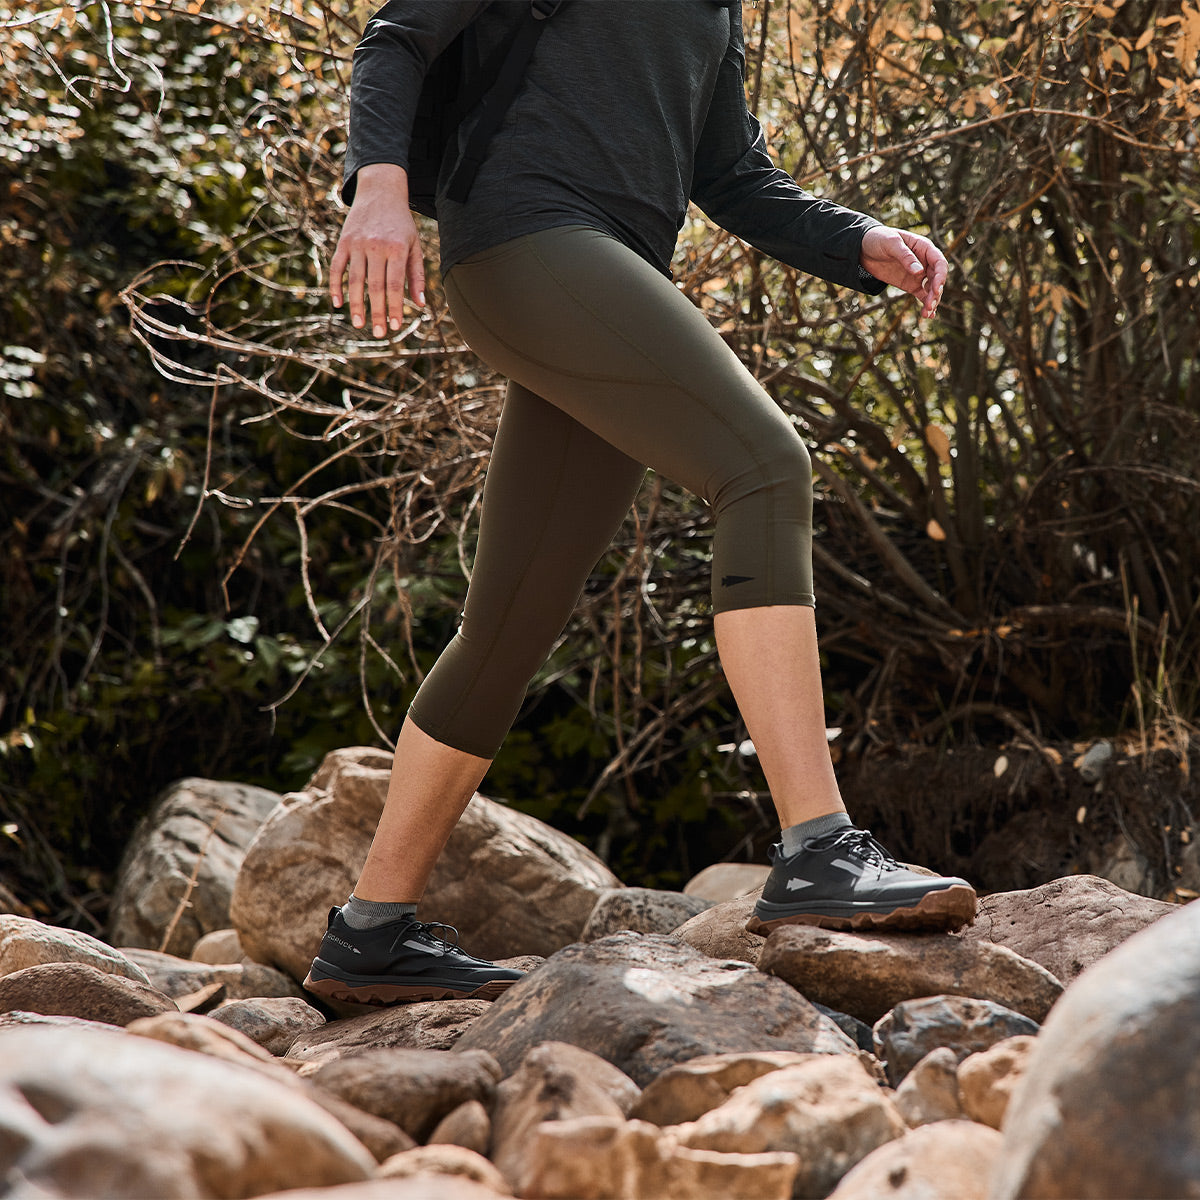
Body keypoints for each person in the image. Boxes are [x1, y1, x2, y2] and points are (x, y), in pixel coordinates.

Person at [303, 0, 976, 1010]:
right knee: (763, 465)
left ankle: (371, 931)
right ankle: (819, 847)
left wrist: (859, 241)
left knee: (508, 623)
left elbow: (732, 175)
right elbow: (398, 38)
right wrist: (381, 186)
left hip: (599, 276)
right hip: (525, 240)